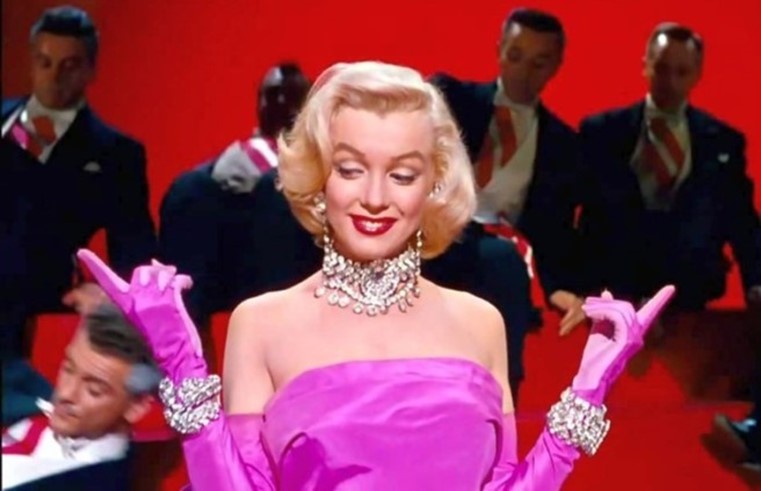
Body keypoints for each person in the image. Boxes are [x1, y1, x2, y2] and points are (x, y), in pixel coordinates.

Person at [77, 61, 674, 490]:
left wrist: (586, 393)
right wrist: (182, 367)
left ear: (434, 185)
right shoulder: (261, 324)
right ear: (320, 177)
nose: (374, 197)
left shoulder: (481, 322)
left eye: (403, 174)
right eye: (351, 168)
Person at [0, 6, 157, 357]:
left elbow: (135, 250)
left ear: (90, 69)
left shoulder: (115, 154)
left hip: (36, 321)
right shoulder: (6, 125)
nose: (53, 76)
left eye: (69, 65)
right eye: (44, 62)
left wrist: (112, 295)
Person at [578, 22, 761, 311]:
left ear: (698, 74)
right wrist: (572, 286)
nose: (670, 82)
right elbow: (578, 212)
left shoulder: (723, 141)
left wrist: (756, 282)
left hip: (692, 288)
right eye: (662, 69)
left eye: (682, 72)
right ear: (645, 66)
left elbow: (742, 220)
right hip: (617, 285)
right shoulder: (603, 131)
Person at [430, 7, 587, 338]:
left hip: (499, 258)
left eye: (538, 63)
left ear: (556, 66)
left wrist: (559, 287)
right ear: (499, 50)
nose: (522, 72)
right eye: (515, 56)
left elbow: (553, 230)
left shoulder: (563, 145)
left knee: (502, 265)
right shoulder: (450, 99)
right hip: (432, 237)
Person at [159, 63, 312, 329]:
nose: (282, 104)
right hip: (248, 275)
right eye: (275, 97)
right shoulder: (216, 177)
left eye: (289, 97)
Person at [2, 302, 161, 490]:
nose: (65, 393)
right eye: (68, 369)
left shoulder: (95, 481)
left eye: (94, 390)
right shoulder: (29, 400)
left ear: (137, 406)